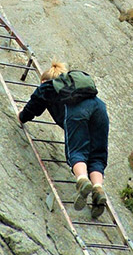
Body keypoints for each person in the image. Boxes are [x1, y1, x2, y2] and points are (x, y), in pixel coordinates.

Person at [18, 61, 110, 219]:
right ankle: (98, 189)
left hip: (78, 111)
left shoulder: (47, 87)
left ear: (44, 81)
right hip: (99, 108)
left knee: (76, 150)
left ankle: (82, 180)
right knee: (97, 154)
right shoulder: (73, 87)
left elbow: (32, 108)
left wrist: (21, 116)